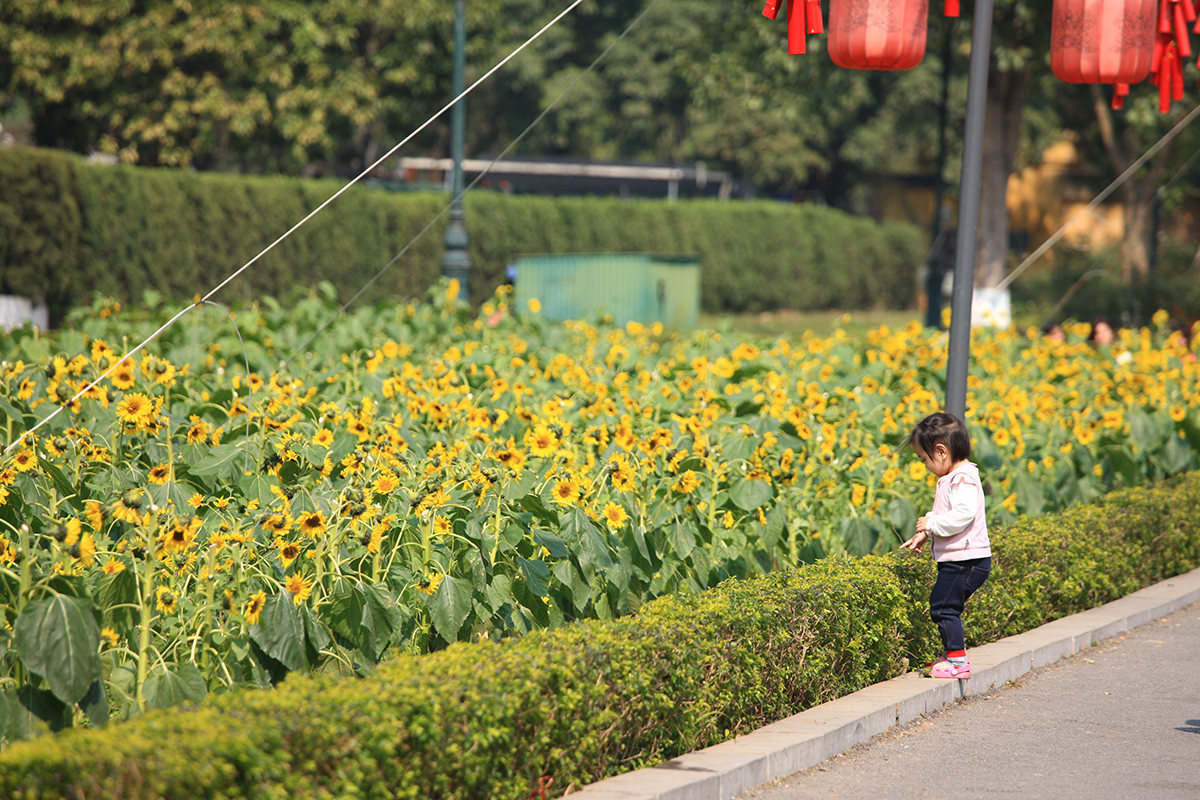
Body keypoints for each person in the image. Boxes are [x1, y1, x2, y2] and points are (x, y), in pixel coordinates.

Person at [899, 412, 992, 679]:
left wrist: (930, 523)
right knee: (945, 605)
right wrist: (926, 534)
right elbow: (947, 514)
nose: (926, 465)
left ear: (941, 451)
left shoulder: (962, 477)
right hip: (961, 559)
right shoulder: (956, 476)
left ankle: (958, 661)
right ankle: (951, 655)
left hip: (965, 560)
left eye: (925, 459)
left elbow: (963, 515)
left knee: (943, 607)